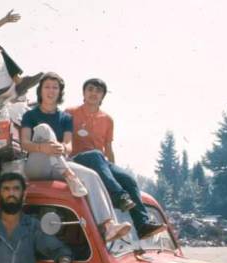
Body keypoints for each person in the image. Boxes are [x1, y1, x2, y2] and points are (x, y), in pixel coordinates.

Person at [21, 72, 131, 242]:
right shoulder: (30, 115)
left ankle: (108, 226)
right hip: (37, 165)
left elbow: (68, 146)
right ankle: (69, 175)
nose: (51, 91)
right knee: (43, 129)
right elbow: (24, 144)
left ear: (60, 92)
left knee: (92, 175)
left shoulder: (65, 117)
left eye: (55, 87)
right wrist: (44, 147)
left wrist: (62, 147)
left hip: (58, 164)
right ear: (40, 90)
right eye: (47, 87)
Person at [67, 78, 165, 238]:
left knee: (128, 179)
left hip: (100, 162)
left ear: (102, 96)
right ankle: (119, 197)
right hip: (77, 160)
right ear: (83, 93)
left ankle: (142, 225)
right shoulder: (70, 113)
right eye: (90, 89)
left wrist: (112, 172)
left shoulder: (107, 119)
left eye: (98, 91)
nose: (93, 93)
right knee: (96, 155)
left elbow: (109, 149)